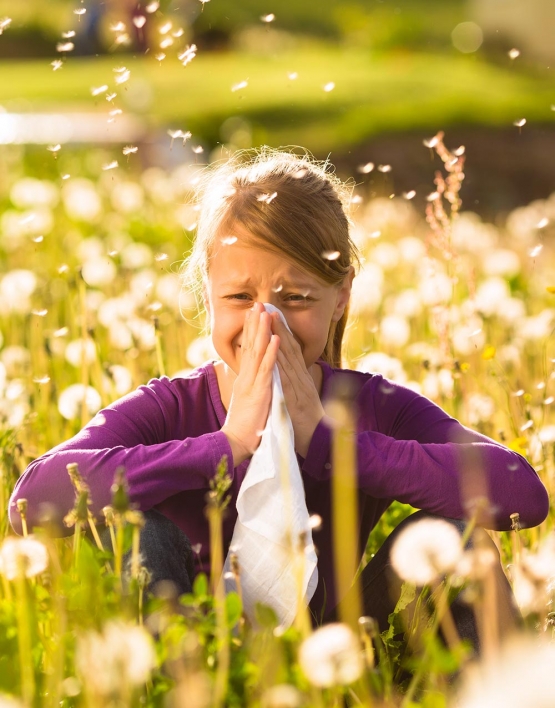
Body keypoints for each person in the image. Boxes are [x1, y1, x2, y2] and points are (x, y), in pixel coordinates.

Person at [8, 148, 548, 642]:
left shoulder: (372, 405)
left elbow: (522, 493)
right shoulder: (172, 406)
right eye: (240, 296)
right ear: (207, 294)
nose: (266, 322)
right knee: (138, 533)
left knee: (458, 538)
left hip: (340, 639)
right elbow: (32, 501)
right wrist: (228, 443)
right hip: (190, 641)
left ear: (341, 297)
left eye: (295, 298)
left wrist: (333, 445)